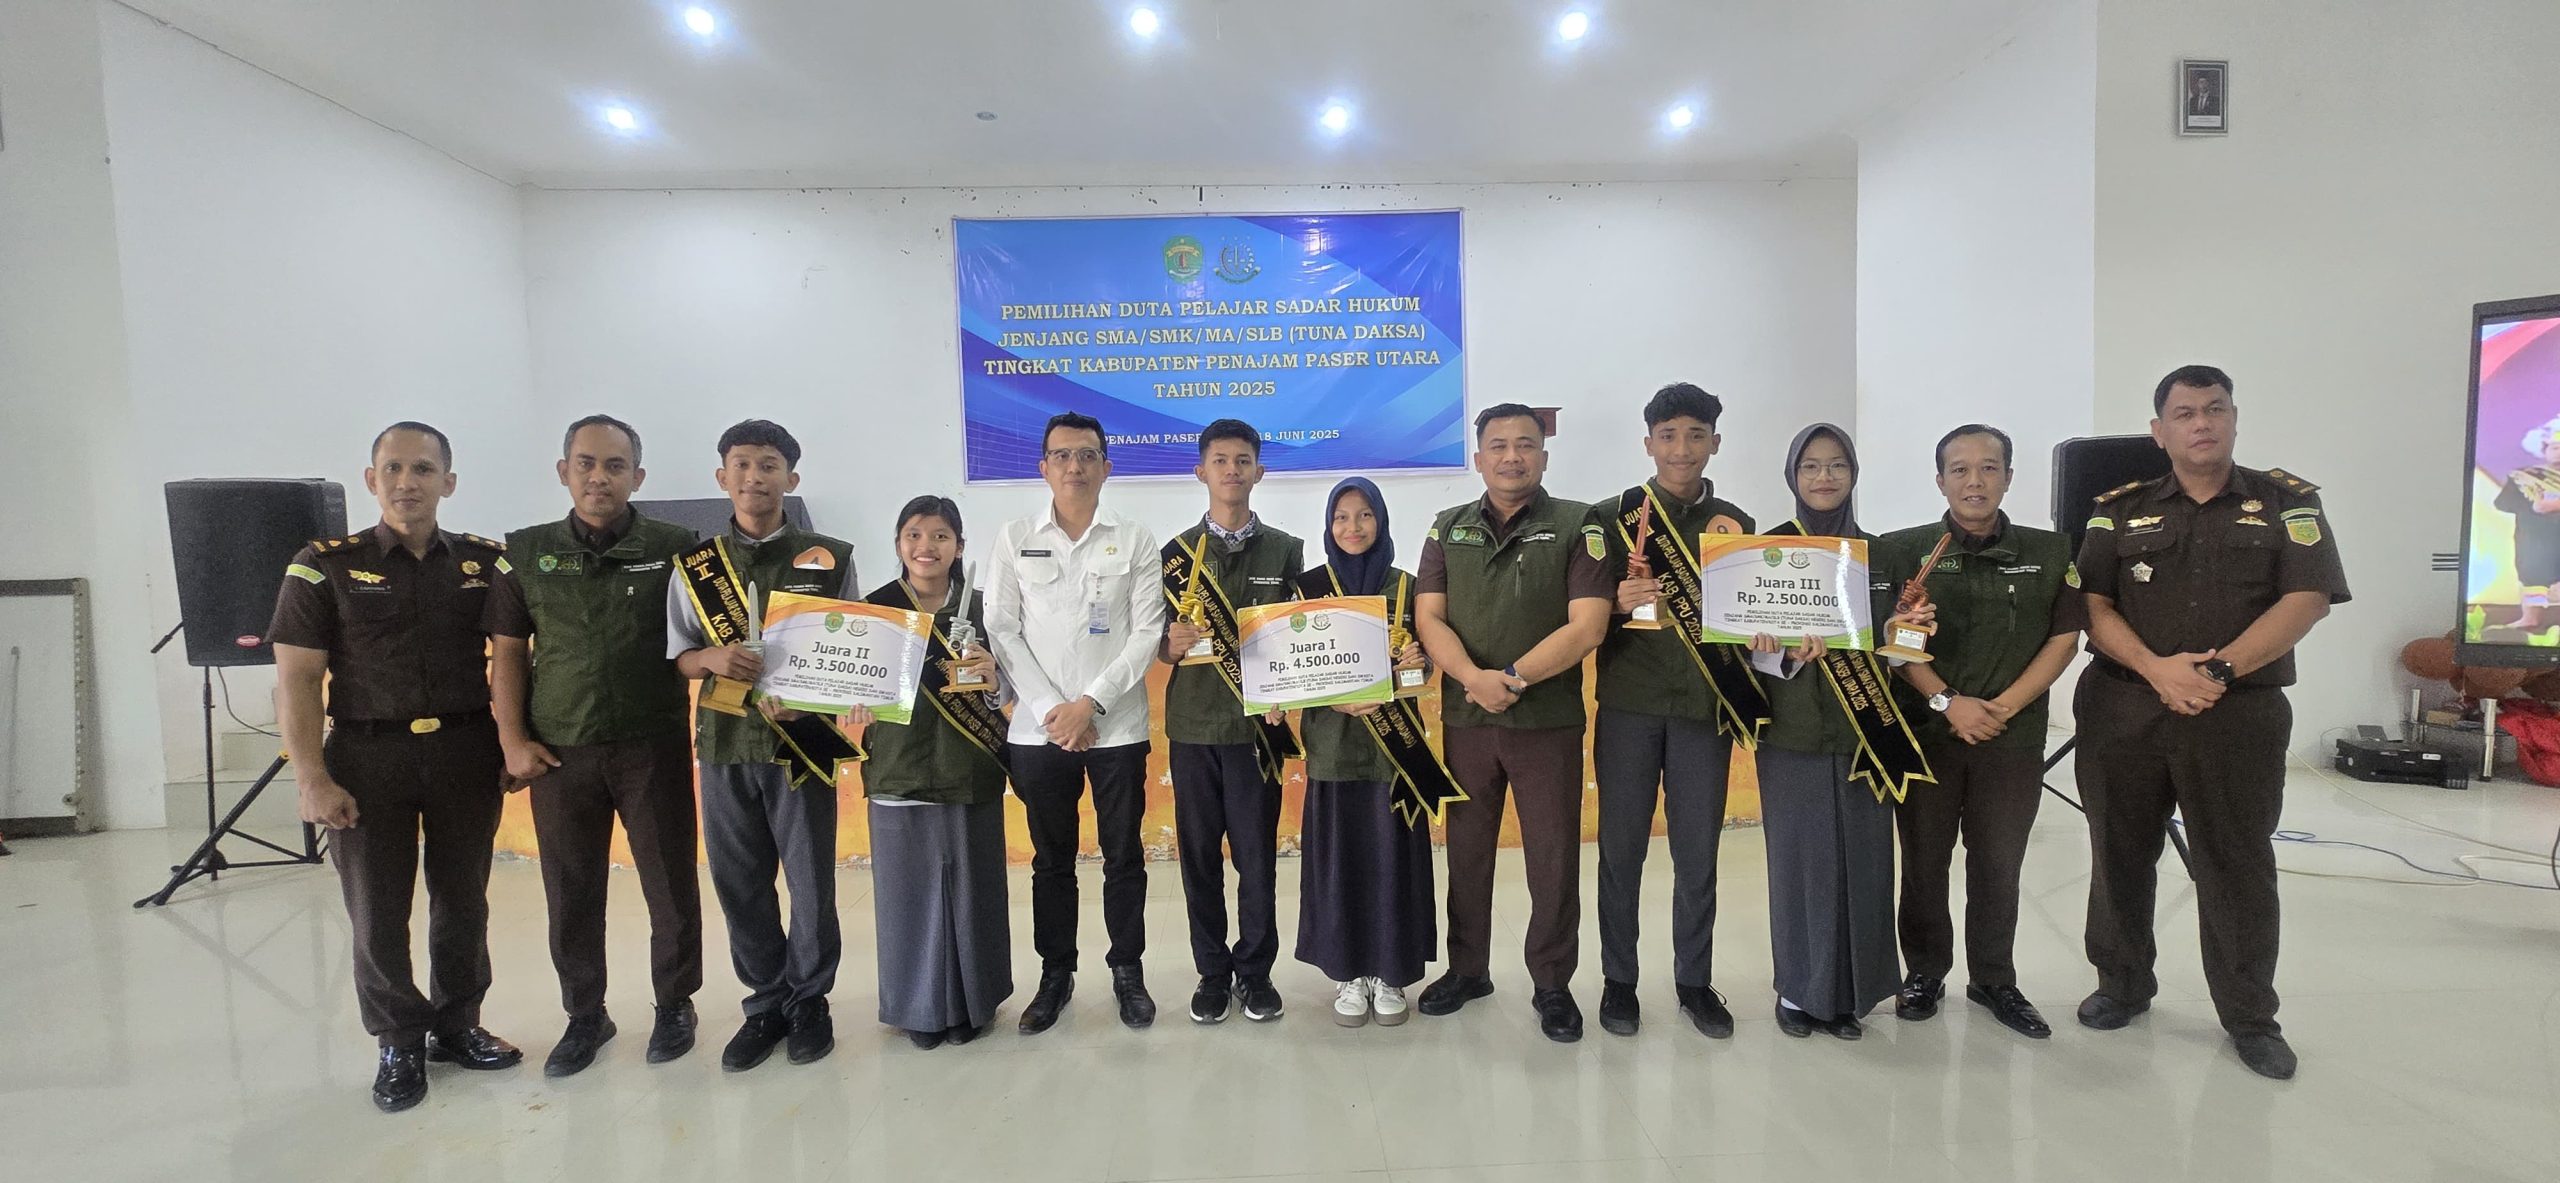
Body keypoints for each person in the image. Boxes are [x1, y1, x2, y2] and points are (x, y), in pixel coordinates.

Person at [2073, 365, 2349, 1080]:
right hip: (2125, 706)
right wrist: (2159, 670)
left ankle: (2250, 1015)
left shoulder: (2287, 502)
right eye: (2186, 413)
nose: (2202, 423)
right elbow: (2092, 605)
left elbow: (2308, 598)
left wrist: (2216, 672)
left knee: (2237, 863)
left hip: (2238, 713)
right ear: (2158, 431)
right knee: (2118, 852)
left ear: (2233, 418)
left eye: (2215, 409)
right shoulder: (2118, 510)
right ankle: (2121, 984)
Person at [269, 422, 517, 1112]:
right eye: (394, 469)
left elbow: (514, 657)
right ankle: (398, 1039)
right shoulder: (323, 565)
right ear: (371, 479)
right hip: (367, 755)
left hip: (465, 750)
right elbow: (296, 678)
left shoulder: (486, 564)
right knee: (377, 906)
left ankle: (458, 1023)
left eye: (424, 469)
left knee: (463, 898)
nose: (408, 482)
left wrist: (511, 741)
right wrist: (311, 777)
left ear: (448, 482)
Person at [486, 414, 705, 1078]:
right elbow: (507, 654)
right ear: (564, 471)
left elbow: (704, 637)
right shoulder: (524, 552)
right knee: (571, 888)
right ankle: (586, 1014)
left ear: (638, 476)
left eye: (615, 465)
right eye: (585, 463)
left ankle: (675, 1004)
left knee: (670, 883)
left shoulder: (678, 547)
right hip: (561, 751)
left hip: (651, 743)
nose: (599, 477)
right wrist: (512, 740)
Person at [1873, 424, 2085, 1040]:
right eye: (1960, 470)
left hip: (2009, 739)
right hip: (1927, 733)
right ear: (1940, 480)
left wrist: (2002, 709)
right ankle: (1924, 971)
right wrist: (1947, 702)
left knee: (1999, 862)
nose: (1974, 481)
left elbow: (2064, 639)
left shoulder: (2051, 552)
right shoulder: (1903, 550)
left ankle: (1994, 978)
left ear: (2009, 478)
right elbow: (1893, 643)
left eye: (1989, 468)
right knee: (1924, 860)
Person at [1412, 402, 1613, 1042]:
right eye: (1497, 445)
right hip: (1467, 718)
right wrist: (1474, 679)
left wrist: (1515, 678)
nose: (1512, 456)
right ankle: (1467, 969)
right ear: (1478, 458)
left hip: (1547, 722)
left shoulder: (1580, 524)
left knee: (1552, 857)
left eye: (1525, 444)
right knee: (1467, 852)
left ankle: (1552, 983)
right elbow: (1427, 617)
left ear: (1543, 456)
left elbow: (1589, 625)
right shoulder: (1447, 527)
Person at [665, 420, 854, 1071]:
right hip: (724, 742)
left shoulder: (830, 557)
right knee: (740, 883)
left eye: (769, 465)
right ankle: (766, 1002)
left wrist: (821, 694)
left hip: (803, 741)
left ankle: (810, 1000)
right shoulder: (697, 566)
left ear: (790, 478)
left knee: (810, 880)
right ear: (723, 477)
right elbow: (680, 656)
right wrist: (711, 658)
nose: (755, 477)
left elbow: (855, 653)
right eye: (742, 464)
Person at [1749, 423, 1932, 1041]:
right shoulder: (1761, 552)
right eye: (1810, 466)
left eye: (1837, 466)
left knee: (1865, 864)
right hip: (1792, 731)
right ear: (1792, 476)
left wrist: (1912, 631)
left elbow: (1900, 652)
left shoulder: (1883, 556)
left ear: (1853, 474)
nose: (1824, 477)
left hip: (1867, 732)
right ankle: (1798, 993)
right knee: (1798, 866)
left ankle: (1851, 995)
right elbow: (1737, 647)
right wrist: (1773, 648)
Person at [986, 411, 1168, 1034]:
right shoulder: (1014, 537)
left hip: (1117, 728)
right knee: (1051, 861)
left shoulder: (1135, 539)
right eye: (1062, 455)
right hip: (1038, 733)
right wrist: (1051, 710)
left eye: (1087, 455)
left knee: (1124, 857)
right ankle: (1055, 975)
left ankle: (1128, 972)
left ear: (1106, 466)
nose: (1074, 466)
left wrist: (1089, 704)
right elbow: (1002, 629)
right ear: (1044, 467)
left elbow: (1146, 632)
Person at [1590, 382, 1757, 1040]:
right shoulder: (1612, 518)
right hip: (1629, 706)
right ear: (1648, 443)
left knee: (1697, 852)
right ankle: (1618, 980)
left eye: (1695, 435)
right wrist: (1616, 601)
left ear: (1716, 442)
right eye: (1668, 436)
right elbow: (1579, 613)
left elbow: (1748, 614)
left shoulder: (1736, 524)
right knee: (1621, 850)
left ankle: (1694, 980)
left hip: (1702, 710)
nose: (1681, 449)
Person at [851, 496, 1013, 1049]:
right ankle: (918, 1011)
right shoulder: (873, 611)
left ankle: (975, 1004)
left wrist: (994, 680)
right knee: (908, 901)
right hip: (898, 772)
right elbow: (845, 684)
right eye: (915, 535)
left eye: (941, 536)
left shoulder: (988, 611)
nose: (927, 546)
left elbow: (1012, 690)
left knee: (974, 894)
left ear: (959, 547)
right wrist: (851, 702)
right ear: (899, 544)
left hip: (970, 770)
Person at [1158, 419, 1305, 1025]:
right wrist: (1169, 646)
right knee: (1198, 859)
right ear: (1201, 471)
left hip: (1256, 730)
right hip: (1192, 726)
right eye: (1220, 460)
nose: (1232, 470)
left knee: (1256, 859)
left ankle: (1256, 972)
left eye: (1243, 460)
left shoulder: (1286, 550)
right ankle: (1212, 974)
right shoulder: (1172, 556)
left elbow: (1298, 636)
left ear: (1258, 471)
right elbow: (1155, 641)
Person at [1293, 478, 1436, 1027]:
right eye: (1341, 517)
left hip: (1395, 752)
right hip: (1332, 749)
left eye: (1364, 515)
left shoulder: (1408, 588)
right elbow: (1290, 672)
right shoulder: (1307, 590)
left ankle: (1390, 971)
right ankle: (1348, 973)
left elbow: (1426, 670)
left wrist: (1415, 666)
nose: (1352, 527)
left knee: (1391, 859)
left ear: (1381, 520)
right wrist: (1335, 697)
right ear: (1328, 526)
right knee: (1341, 862)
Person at [2491, 418, 2560, 632]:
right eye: (2555, 447)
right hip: (2535, 540)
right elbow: (2503, 503)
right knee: (2533, 581)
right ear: (2545, 450)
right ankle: (2531, 618)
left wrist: (2554, 505)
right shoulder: (2524, 477)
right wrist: (2533, 506)